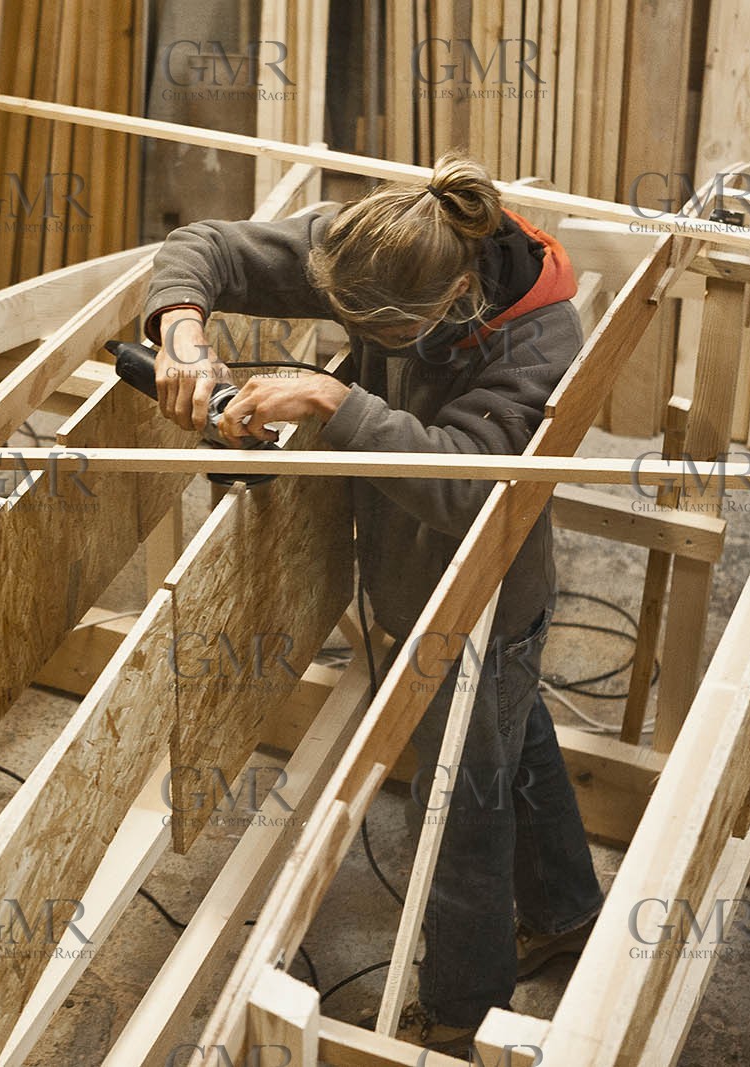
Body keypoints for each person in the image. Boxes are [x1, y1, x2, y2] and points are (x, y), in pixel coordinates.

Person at [144, 154, 604, 1054]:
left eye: (373, 331)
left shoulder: (540, 335)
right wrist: (182, 329)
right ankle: (566, 910)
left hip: (480, 604)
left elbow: (472, 489)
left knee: (459, 806)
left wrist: (332, 396)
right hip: (412, 584)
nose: (349, 328)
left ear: (460, 296)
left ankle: (457, 1013)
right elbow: (206, 248)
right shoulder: (384, 243)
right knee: (514, 738)